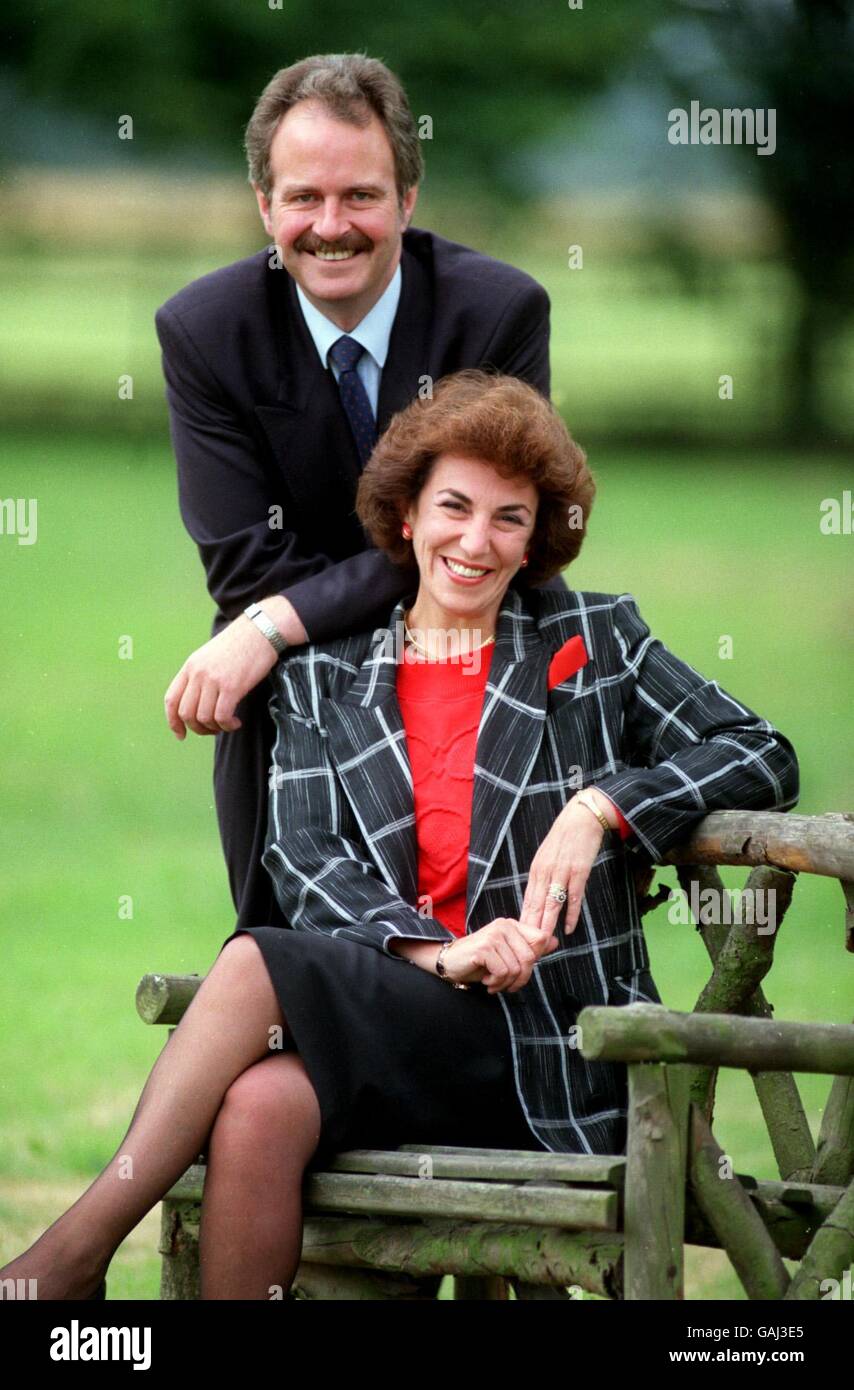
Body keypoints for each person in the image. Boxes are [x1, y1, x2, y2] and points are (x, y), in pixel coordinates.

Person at [0, 370, 800, 1300]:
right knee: (258, 1103)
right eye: (453, 508)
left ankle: (68, 1261)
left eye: (510, 518)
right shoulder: (322, 677)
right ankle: (76, 1267)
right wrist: (438, 953)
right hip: (406, 1025)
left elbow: (762, 751)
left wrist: (602, 810)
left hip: (553, 1046)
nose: (476, 541)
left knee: (258, 963)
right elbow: (304, 861)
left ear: (537, 535)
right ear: (407, 517)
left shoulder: (596, 637)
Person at [156, 52, 566, 936]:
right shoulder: (204, 330)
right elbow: (245, 563)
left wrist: (265, 627)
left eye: (361, 197)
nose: (330, 226)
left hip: (476, 642)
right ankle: (281, 965)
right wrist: (266, 628)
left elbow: (485, 542)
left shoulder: (497, 315)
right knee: (285, 966)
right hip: (292, 681)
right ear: (265, 206)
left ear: (408, 200)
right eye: (303, 198)